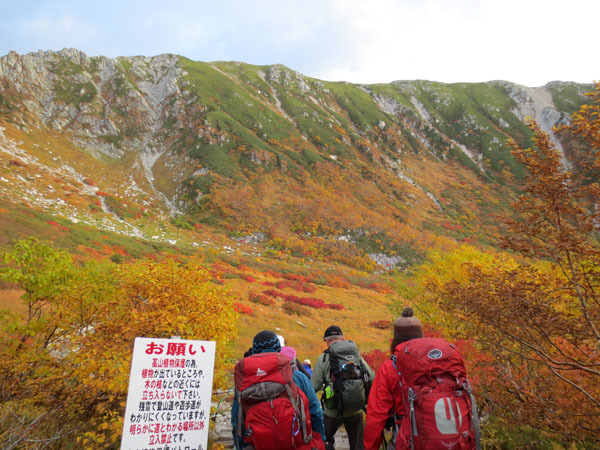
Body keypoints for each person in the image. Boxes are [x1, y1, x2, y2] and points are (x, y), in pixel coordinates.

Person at [232, 330, 325, 450]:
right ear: (278, 350)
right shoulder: (297, 377)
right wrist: (319, 439)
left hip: (259, 445)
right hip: (296, 443)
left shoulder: (245, 383)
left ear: (254, 352)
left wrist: (240, 445)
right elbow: (315, 412)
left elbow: (237, 420)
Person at [363, 308, 422, 450]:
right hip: (446, 436)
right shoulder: (437, 361)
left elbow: (376, 415)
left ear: (395, 340)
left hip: (407, 437)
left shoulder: (390, 367)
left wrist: (371, 447)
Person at [312, 325, 375, 450]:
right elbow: (372, 377)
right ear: (342, 338)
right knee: (357, 446)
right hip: (356, 408)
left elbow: (314, 385)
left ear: (326, 341)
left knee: (325, 441)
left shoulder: (324, 358)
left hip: (332, 410)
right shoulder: (356, 356)